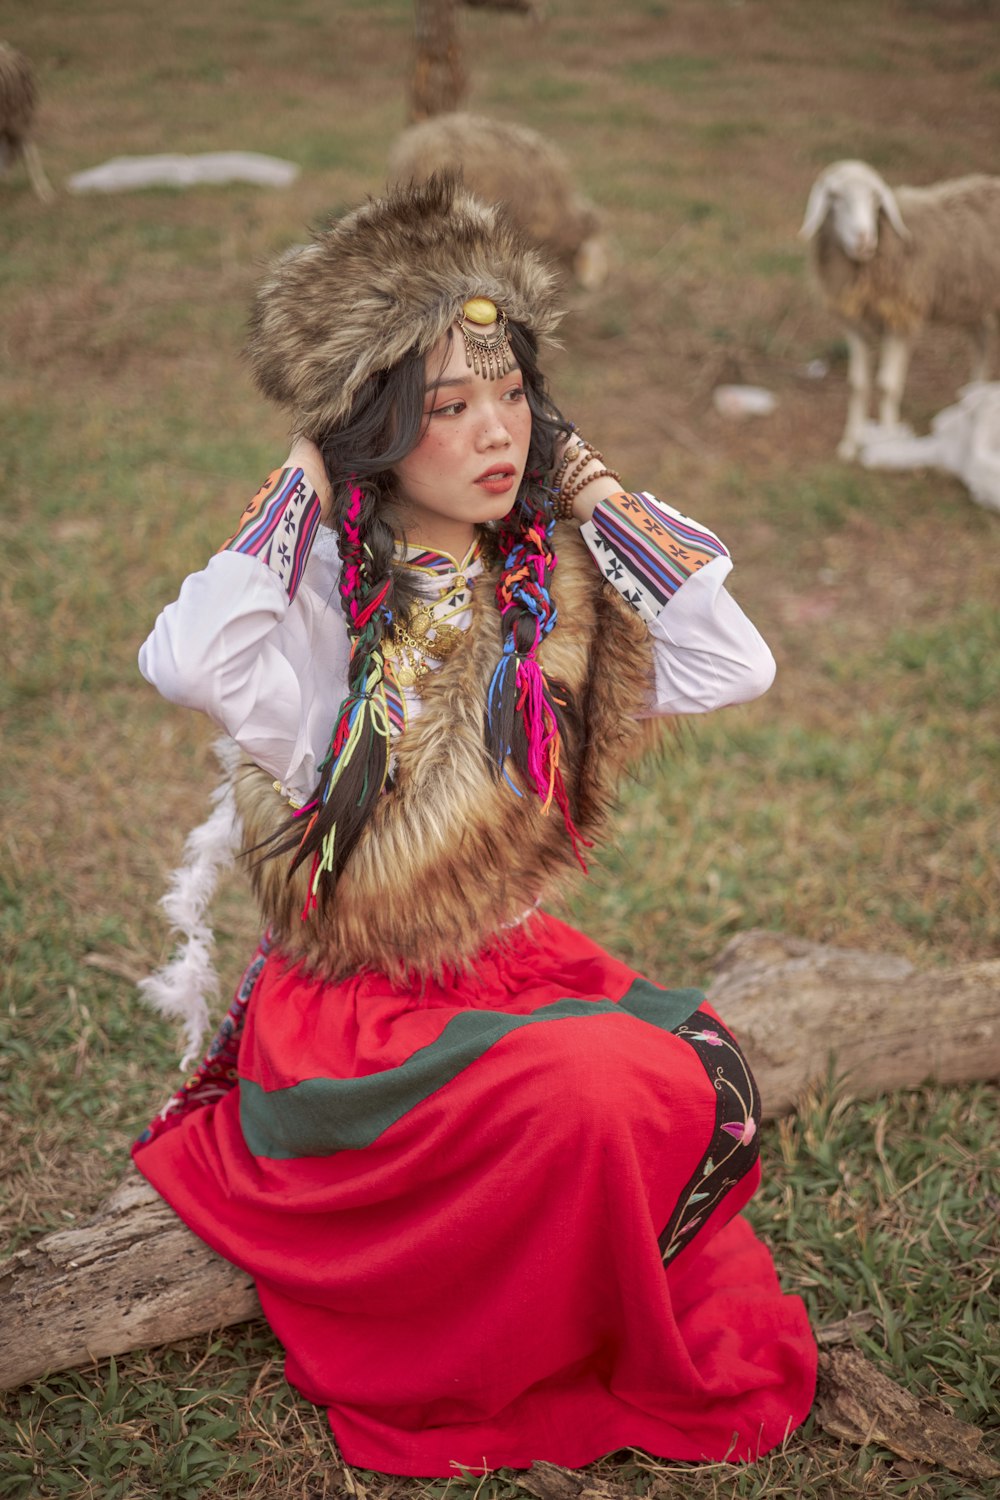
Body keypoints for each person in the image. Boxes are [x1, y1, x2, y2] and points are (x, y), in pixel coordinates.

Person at [133, 175, 816, 1479]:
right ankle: (490, 1349)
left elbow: (734, 661)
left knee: (690, 1071)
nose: (496, 432)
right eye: (449, 406)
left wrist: (598, 495)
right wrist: (294, 481)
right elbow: (188, 662)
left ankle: (563, 1274)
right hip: (355, 1018)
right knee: (603, 1090)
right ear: (376, 430)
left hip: (496, 973)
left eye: (512, 396)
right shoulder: (326, 605)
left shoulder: (548, 586)